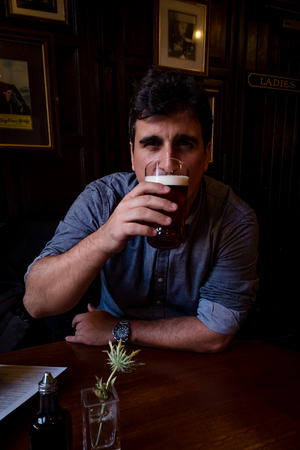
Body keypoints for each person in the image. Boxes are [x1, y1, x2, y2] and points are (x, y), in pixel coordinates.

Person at [23, 66, 259, 353]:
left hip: (187, 359)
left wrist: (118, 329)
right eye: (152, 144)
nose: (169, 164)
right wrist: (106, 237)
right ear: (133, 156)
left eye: (185, 144)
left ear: (207, 155)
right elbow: (36, 302)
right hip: (111, 357)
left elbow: (216, 332)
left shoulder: (234, 219)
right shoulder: (103, 198)